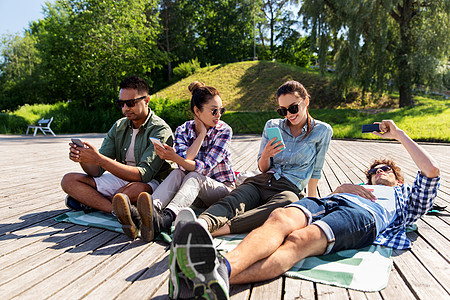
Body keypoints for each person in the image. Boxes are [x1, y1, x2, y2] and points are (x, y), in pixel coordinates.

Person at [170, 119, 440, 299]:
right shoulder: (357, 186)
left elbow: (431, 171)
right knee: (280, 217)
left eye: (386, 170)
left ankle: (219, 274)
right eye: (374, 170)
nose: (379, 172)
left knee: (300, 239)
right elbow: (324, 195)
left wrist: (398, 134)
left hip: (363, 217)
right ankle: (209, 276)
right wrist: (341, 188)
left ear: (398, 177)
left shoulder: (406, 196)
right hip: (330, 202)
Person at [193, 80, 333, 237]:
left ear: (306, 101)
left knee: (286, 204)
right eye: (283, 111)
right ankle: (201, 224)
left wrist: (312, 205)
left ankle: (219, 230)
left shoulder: (322, 130)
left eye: (293, 108)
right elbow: (263, 168)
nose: (289, 115)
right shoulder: (272, 125)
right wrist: (266, 154)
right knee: (233, 200)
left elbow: (316, 171)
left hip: (289, 188)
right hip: (262, 181)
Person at [112, 81, 236, 242]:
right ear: (197, 111)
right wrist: (199, 137)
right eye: (214, 111)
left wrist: (200, 136)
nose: (219, 115)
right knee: (178, 172)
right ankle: (150, 212)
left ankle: (165, 219)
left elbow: (204, 168)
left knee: (193, 175)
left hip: (221, 189)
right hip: (192, 194)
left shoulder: (224, 131)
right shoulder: (182, 130)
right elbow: (184, 163)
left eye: (221, 110)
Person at [60, 75, 173, 216]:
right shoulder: (119, 126)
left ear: (146, 101)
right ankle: (115, 209)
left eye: (131, 103)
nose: (125, 108)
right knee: (69, 181)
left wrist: (99, 159)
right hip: (121, 177)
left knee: (129, 192)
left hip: (152, 181)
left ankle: (96, 202)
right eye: (121, 103)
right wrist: (84, 158)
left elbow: (143, 175)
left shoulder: (160, 130)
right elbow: (96, 171)